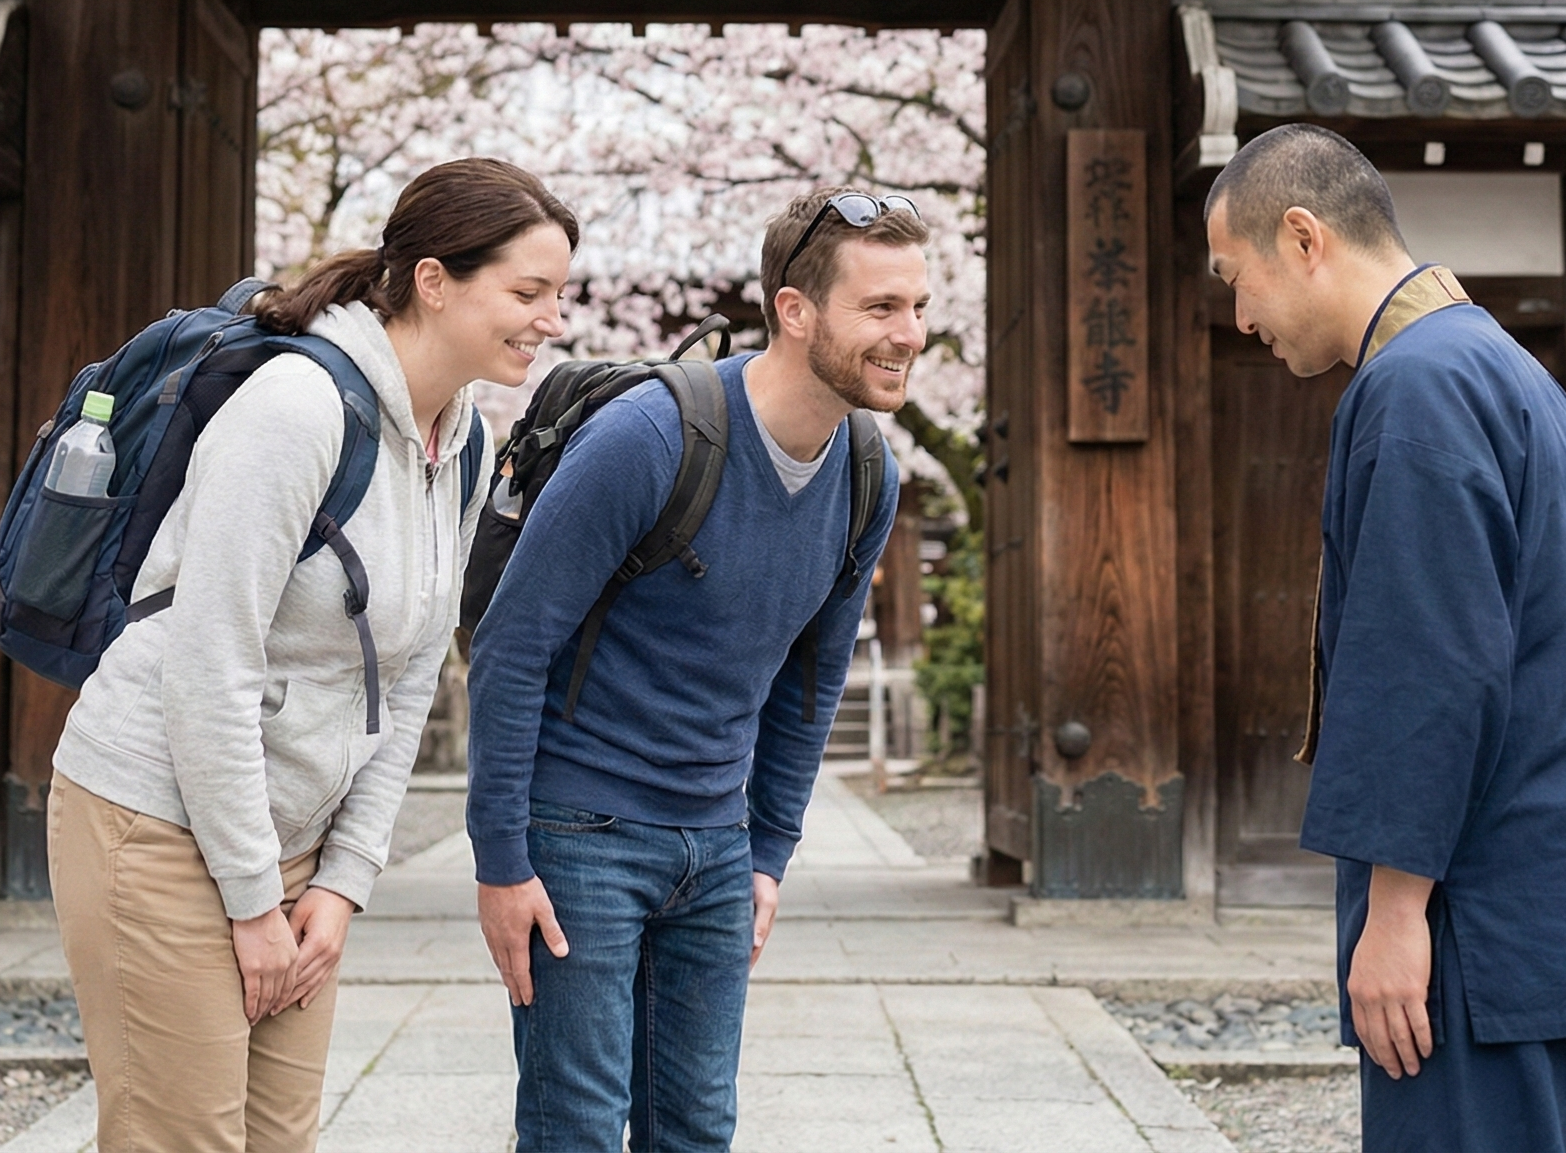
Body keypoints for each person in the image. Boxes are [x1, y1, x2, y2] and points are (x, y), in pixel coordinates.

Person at [47, 159, 579, 1153]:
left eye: (561, 294)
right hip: (154, 822)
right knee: (181, 1138)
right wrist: (257, 902)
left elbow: (416, 667)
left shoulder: (459, 440)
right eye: (527, 291)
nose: (552, 318)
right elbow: (210, 667)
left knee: (278, 1140)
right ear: (434, 280)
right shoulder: (297, 411)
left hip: (287, 840)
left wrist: (341, 881)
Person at [1203, 124, 1566, 1153]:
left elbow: (1431, 666)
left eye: (1235, 276)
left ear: (1303, 239)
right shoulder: (1515, 374)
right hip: (1564, 918)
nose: (1239, 314)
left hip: (1473, 929)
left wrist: (1393, 917)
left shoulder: (1416, 383)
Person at [467, 184, 916, 1152]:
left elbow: (810, 685)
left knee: (696, 1131)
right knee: (574, 1131)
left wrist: (768, 852)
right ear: (794, 313)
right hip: (579, 832)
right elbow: (511, 644)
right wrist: (500, 861)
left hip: (714, 847)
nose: (910, 333)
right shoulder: (652, 438)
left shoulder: (868, 476)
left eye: (918, 307)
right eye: (881, 308)